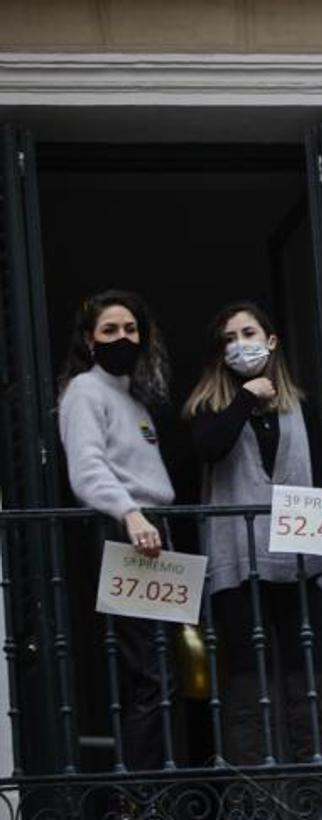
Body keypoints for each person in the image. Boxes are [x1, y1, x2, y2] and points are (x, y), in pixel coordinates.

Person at [184, 302, 322, 766]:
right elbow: (210, 449)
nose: (240, 344)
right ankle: (255, 794)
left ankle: (312, 790)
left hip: (297, 558)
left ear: (271, 340)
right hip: (238, 560)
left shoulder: (301, 408)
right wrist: (244, 399)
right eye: (229, 339)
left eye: (248, 333)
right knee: (246, 680)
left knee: (304, 677)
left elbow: (318, 470)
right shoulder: (207, 408)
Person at [57, 289, 176, 772]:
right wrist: (129, 514)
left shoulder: (134, 398)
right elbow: (87, 469)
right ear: (90, 340)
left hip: (153, 532)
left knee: (166, 669)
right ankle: (140, 799)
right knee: (149, 672)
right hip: (125, 532)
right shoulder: (85, 391)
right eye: (110, 330)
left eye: (130, 329)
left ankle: (156, 788)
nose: (122, 337)